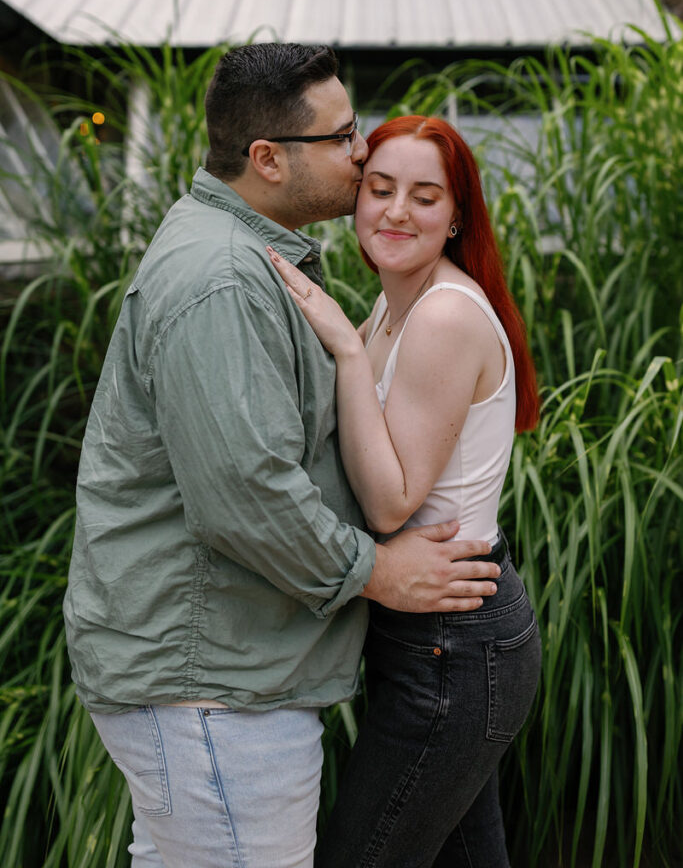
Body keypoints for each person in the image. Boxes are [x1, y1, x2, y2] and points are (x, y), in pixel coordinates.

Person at [63, 44, 502, 868]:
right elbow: (247, 494)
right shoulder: (223, 280)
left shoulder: (243, 254)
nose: (362, 151)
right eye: (341, 138)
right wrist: (379, 573)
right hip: (211, 688)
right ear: (267, 159)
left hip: (211, 676)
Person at [269, 114, 543, 868]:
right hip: (434, 632)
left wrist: (348, 352)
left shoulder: (442, 316)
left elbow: (390, 503)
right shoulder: (396, 301)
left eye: (425, 196)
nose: (395, 211)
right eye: (380, 188)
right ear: (356, 198)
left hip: (454, 644)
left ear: (457, 214)